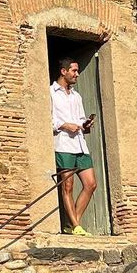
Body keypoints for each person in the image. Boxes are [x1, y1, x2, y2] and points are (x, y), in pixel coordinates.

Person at [51, 58, 98, 234]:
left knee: (91, 184)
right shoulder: (50, 93)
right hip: (63, 144)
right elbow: (47, 118)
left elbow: (80, 119)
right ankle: (76, 226)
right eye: (74, 71)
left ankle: (73, 224)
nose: (77, 74)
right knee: (68, 185)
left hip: (80, 144)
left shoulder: (76, 96)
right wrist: (64, 125)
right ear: (63, 71)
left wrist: (85, 124)